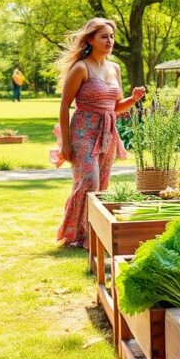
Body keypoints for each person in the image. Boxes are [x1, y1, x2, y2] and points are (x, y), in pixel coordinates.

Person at [51, 18, 145, 248]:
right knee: (88, 181)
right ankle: (74, 233)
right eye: (104, 36)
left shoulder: (114, 68)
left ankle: (92, 233)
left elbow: (114, 106)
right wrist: (65, 144)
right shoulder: (81, 68)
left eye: (112, 36)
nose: (110, 41)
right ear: (91, 40)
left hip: (108, 132)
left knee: (101, 184)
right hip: (83, 131)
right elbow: (64, 105)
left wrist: (132, 99)